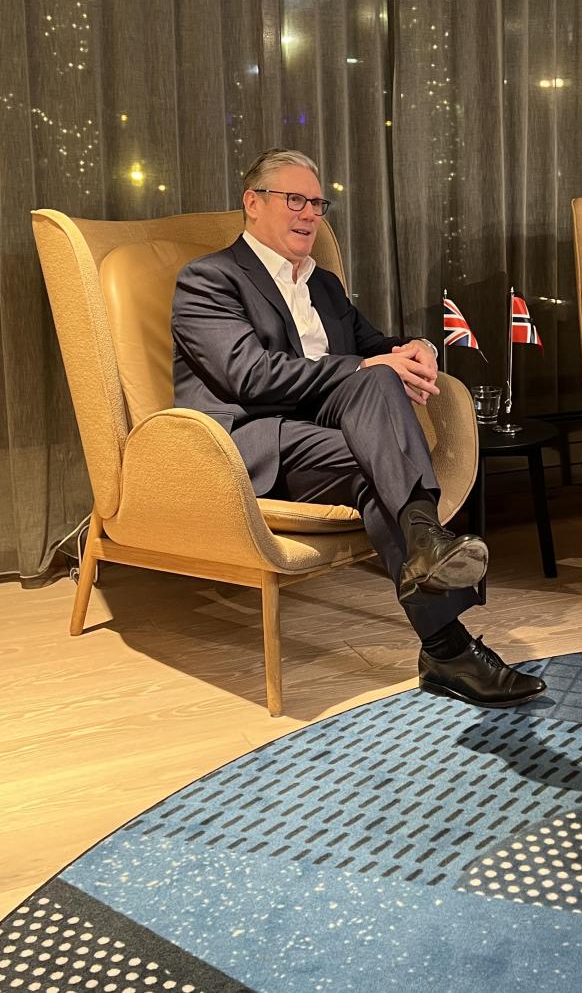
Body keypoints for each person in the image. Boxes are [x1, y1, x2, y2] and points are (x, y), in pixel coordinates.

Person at [171, 147, 545, 708]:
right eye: (294, 199)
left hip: (333, 439)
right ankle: (437, 587)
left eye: (317, 203)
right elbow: (247, 376)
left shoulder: (322, 285)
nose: (309, 214)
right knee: (373, 397)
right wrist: (372, 367)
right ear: (253, 203)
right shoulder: (210, 279)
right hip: (255, 440)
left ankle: (442, 626)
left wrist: (415, 347)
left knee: (378, 458)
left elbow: (373, 348)